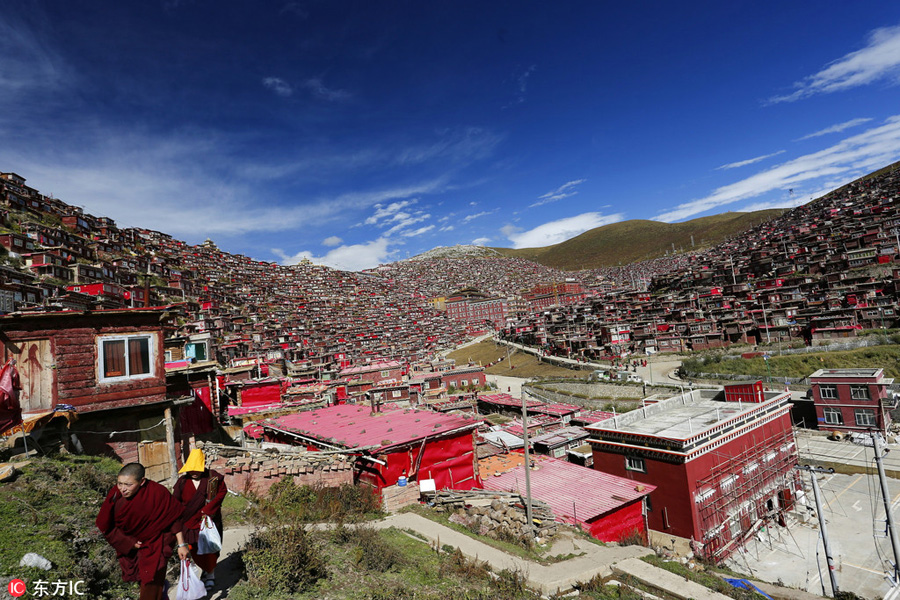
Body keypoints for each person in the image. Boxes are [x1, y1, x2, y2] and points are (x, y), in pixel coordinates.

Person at [96, 462, 190, 600]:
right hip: (133, 547)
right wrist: (129, 543)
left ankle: (160, 590)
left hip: (157, 544)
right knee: (144, 580)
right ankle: (162, 591)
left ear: (142, 482)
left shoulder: (157, 492)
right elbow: (105, 525)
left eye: (128, 485)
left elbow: (174, 518)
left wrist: (181, 545)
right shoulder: (115, 495)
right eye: (120, 483)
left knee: (150, 584)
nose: (123, 489)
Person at [173, 448, 227, 590]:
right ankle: (198, 574)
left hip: (208, 520)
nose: (194, 472)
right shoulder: (182, 482)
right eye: (191, 469)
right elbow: (175, 502)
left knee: (210, 549)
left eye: (197, 469)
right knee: (193, 548)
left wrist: (207, 511)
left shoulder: (213, 478)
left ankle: (210, 574)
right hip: (189, 522)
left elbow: (221, 494)